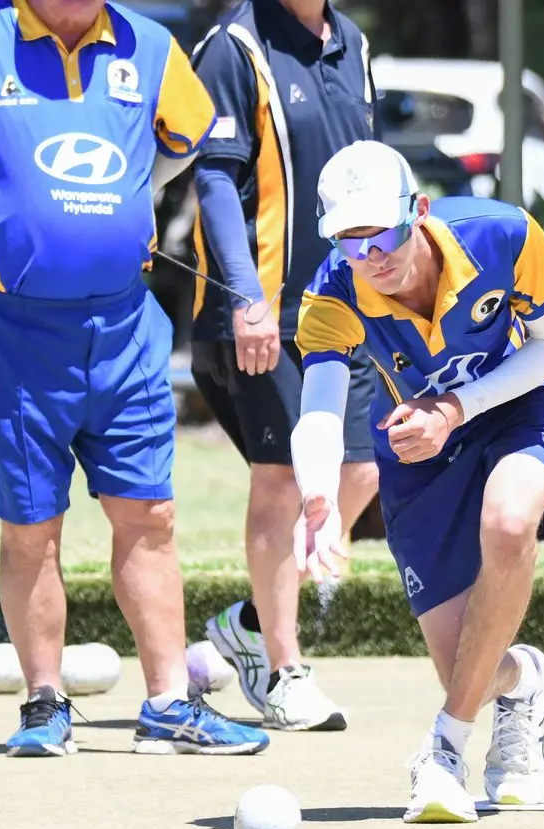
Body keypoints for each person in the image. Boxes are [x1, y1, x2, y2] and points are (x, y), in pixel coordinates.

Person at [0, 0, 269, 756]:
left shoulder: (149, 46)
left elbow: (185, 142)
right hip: (9, 330)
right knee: (33, 527)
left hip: (123, 325)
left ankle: (168, 701)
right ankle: (43, 703)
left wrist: (140, 189)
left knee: (150, 514)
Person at [291, 140, 544, 823]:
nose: (372, 257)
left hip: (525, 403)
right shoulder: (332, 290)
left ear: (417, 211)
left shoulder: (501, 231)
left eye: (385, 234)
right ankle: (525, 683)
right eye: (349, 242)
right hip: (419, 448)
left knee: (508, 523)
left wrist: (455, 408)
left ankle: (443, 749)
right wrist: (318, 497)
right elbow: (319, 408)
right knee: (469, 667)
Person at [188, 0, 380, 732]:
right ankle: (281, 667)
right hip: (256, 313)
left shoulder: (353, 42)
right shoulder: (234, 47)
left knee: (361, 470)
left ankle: (247, 622)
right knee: (284, 480)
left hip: (343, 305)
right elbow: (213, 181)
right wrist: (246, 299)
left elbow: (369, 170)